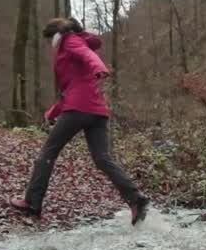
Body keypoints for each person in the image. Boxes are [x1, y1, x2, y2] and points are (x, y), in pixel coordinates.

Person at [9, 17, 150, 224]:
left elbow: (88, 57)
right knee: (102, 158)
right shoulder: (77, 42)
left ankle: (32, 202)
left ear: (56, 34)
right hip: (97, 110)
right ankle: (136, 199)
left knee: (48, 153)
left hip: (79, 108)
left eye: (50, 39)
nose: (51, 45)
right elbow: (74, 86)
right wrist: (53, 112)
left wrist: (100, 68)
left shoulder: (70, 41)